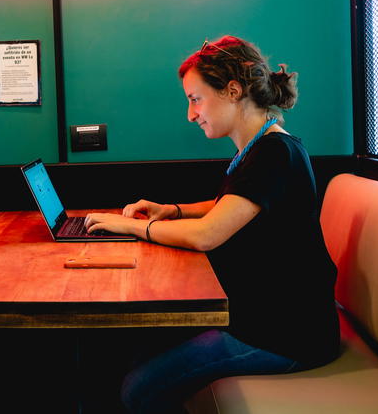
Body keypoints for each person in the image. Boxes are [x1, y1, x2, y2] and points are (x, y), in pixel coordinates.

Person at [83, 36, 340, 414]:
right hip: (260, 318)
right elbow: (234, 206)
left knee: (137, 390)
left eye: (195, 98)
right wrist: (172, 210)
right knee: (138, 351)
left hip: (287, 336)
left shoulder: (274, 153)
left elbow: (209, 234)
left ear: (233, 90)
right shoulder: (261, 148)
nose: (191, 114)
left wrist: (130, 227)